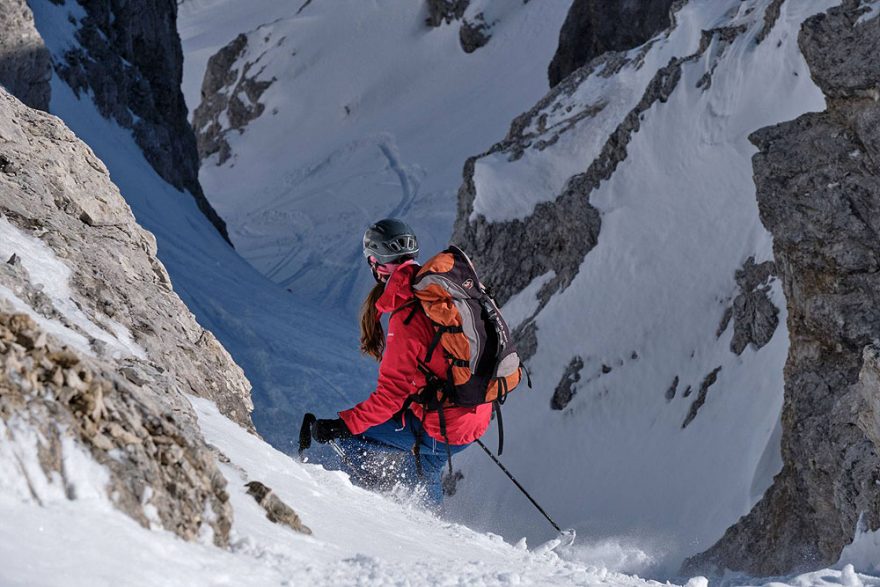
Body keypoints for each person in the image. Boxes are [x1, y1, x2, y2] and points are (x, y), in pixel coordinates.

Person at [310, 218, 492, 505]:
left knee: (349, 438)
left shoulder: (407, 316)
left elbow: (390, 396)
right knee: (423, 468)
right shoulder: (438, 294)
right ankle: (430, 524)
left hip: (444, 425)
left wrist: (343, 425)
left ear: (378, 264)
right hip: (475, 414)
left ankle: (359, 506)